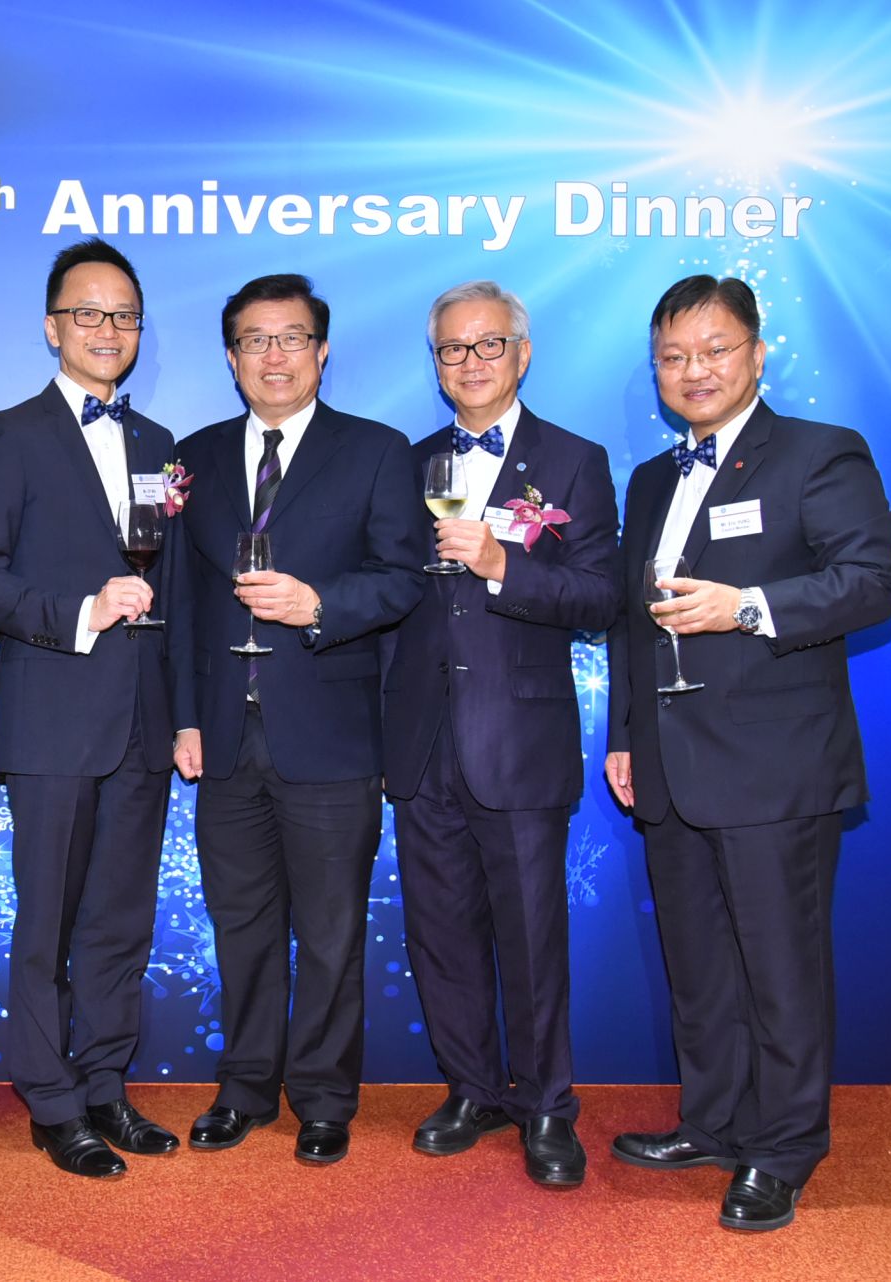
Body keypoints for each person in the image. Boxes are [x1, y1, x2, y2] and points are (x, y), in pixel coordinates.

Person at [605, 274, 891, 1231]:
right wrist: (624, 736)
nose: (694, 370)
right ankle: (715, 1122)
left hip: (776, 768)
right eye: (674, 357)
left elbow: (872, 582)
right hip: (669, 767)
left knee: (780, 971)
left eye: (715, 349)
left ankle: (783, 1149)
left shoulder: (820, 453)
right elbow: (630, 624)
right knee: (698, 969)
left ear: (757, 354)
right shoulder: (652, 480)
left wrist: (747, 608)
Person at [170, 274, 426, 1165]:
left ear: (321, 351)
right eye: (254, 340)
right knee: (240, 926)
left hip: (332, 732)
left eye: (290, 338)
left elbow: (404, 578)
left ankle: (322, 1096)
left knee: (329, 932)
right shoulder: (194, 458)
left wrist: (320, 604)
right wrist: (185, 717)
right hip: (224, 735)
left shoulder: (377, 451)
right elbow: (184, 601)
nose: (273, 356)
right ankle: (244, 1087)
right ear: (231, 357)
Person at [0, 239, 179, 1179]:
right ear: (53, 328)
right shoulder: (8, 434)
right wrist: (80, 613)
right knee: (44, 923)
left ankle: (104, 1083)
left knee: (120, 921)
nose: (107, 330)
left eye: (123, 315)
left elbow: (174, 590)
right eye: (88, 313)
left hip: (142, 723)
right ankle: (51, 1100)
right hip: (52, 718)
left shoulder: (160, 445)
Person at [382, 280, 618, 1187]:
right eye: (452, 348)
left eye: (488, 344)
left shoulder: (574, 461)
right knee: (439, 935)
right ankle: (472, 1089)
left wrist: (501, 564)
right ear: (436, 363)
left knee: (531, 938)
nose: (470, 362)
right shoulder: (403, 464)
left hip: (520, 740)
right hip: (421, 740)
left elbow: (599, 598)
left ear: (522, 353)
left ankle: (548, 1106)